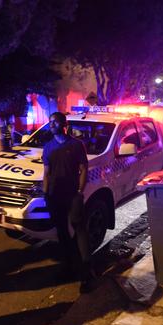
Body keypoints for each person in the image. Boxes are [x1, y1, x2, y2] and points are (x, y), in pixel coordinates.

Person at [42, 112, 96, 293]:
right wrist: (45, 194)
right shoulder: (48, 147)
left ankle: (87, 272)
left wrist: (80, 192)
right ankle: (67, 267)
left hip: (73, 194)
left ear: (63, 124)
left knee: (79, 229)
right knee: (62, 233)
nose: (51, 125)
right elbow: (46, 173)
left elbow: (83, 169)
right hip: (54, 195)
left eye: (54, 122)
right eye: (49, 122)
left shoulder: (76, 145)